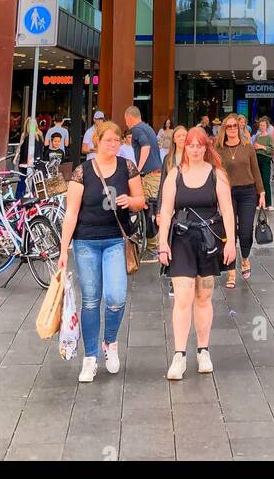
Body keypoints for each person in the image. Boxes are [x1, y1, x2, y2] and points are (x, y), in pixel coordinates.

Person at [58, 118, 147, 382]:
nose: (114, 144)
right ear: (97, 142)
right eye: (108, 140)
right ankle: (90, 357)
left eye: (117, 140)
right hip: (85, 241)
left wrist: (130, 201)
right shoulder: (81, 172)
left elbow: (141, 201)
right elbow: (71, 213)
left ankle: (110, 342)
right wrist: (64, 250)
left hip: (115, 240)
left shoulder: (127, 167)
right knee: (90, 300)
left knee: (116, 296)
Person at [157, 127, 236, 379]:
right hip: (181, 240)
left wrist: (232, 243)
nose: (194, 149)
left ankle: (203, 349)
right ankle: (179, 354)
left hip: (208, 241)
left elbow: (227, 210)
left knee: (203, 296)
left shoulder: (217, 175)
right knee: (182, 297)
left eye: (199, 145)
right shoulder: (174, 175)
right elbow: (166, 211)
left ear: (206, 147)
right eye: (190, 145)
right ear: (184, 148)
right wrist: (162, 244)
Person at [216, 114, 265, 286]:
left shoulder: (247, 147)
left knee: (245, 230)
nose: (231, 129)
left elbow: (256, 170)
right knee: (229, 233)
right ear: (224, 129)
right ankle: (230, 271)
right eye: (228, 126)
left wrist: (262, 192)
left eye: (234, 126)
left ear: (239, 127)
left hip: (247, 192)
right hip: (227, 194)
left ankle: (244, 258)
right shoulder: (219, 149)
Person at [125, 104, 163, 253]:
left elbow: (145, 147)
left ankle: (154, 245)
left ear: (129, 117)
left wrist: (138, 169)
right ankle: (153, 244)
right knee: (151, 207)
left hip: (149, 175)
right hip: (156, 173)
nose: (126, 123)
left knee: (147, 208)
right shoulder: (148, 128)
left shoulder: (136, 130)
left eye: (125, 119)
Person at [253, 115, 274, 209]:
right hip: (257, 158)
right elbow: (254, 147)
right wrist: (255, 147)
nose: (261, 127)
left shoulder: (269, 137)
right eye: (260, 125)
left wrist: (261, 147)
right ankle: (258, 202)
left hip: (266, 159)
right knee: (258, 181)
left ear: (267, 126)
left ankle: (269, 203)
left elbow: (272, 149)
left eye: (263, 125)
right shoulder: (257, 136)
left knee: (266, 181)